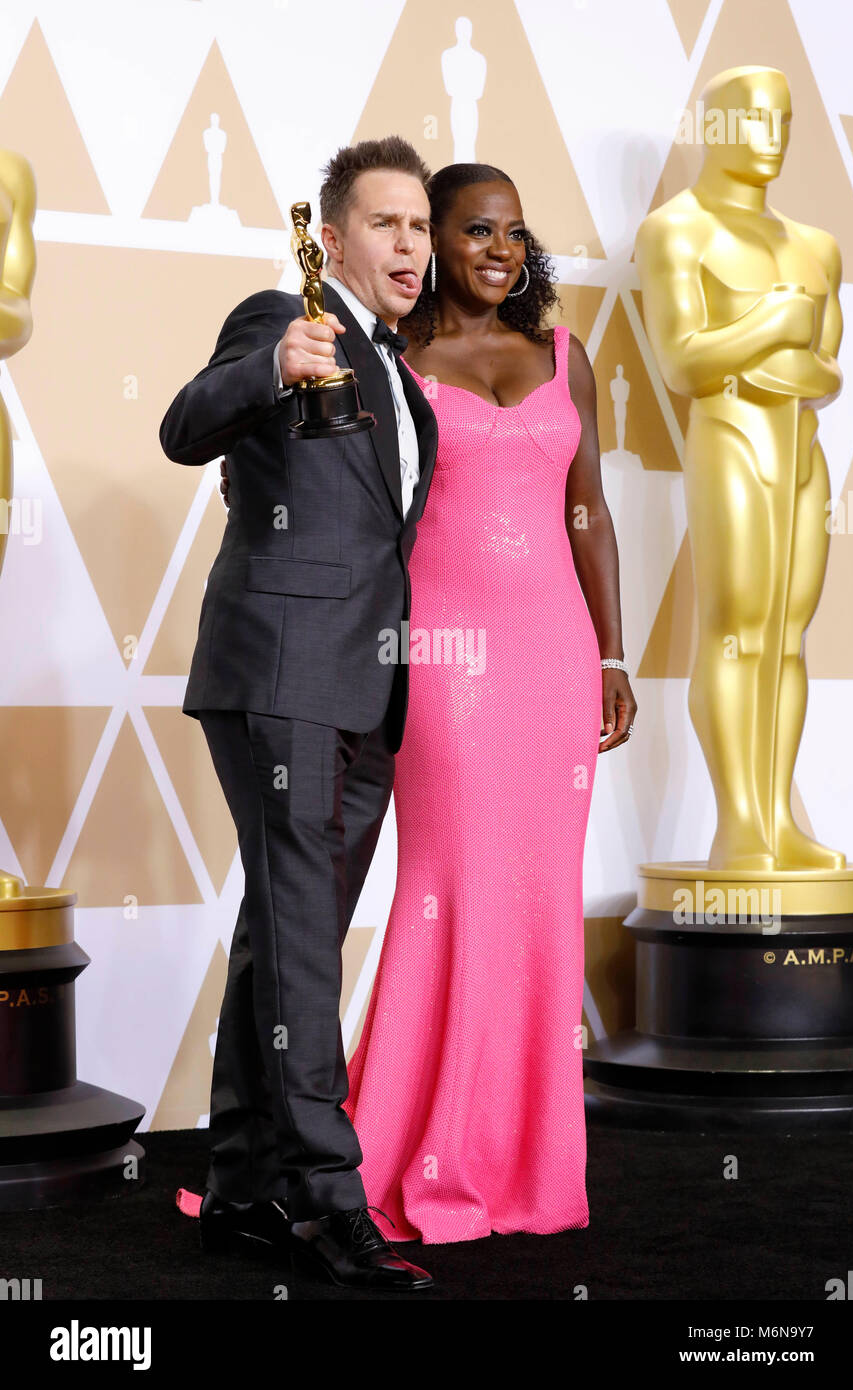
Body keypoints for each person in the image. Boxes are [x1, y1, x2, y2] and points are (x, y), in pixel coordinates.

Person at [159, 135, 440, 1291]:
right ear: (333, 238)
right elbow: (185, 427)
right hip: (279, 678)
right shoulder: (286, 316)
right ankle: (332, 1203)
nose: (412, 247)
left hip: (366, 690)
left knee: (289, 936)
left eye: (421, 226)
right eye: (388, 225)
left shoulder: (406, 380)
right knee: (304, 942)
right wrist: (274, 364)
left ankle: (239, 1185)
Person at [342, 163, 637, 1243]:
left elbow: (589, 510)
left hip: (554, 659)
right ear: (435, 241)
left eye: (515, 230)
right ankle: (421, 1151)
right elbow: (365, 520)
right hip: (446, 656)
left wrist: (611, 656)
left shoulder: (568, 353)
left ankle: (529, 1164)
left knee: (540, 898)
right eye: (477, 229)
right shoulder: (397, 363)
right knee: (451, 883)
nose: (503, 248)